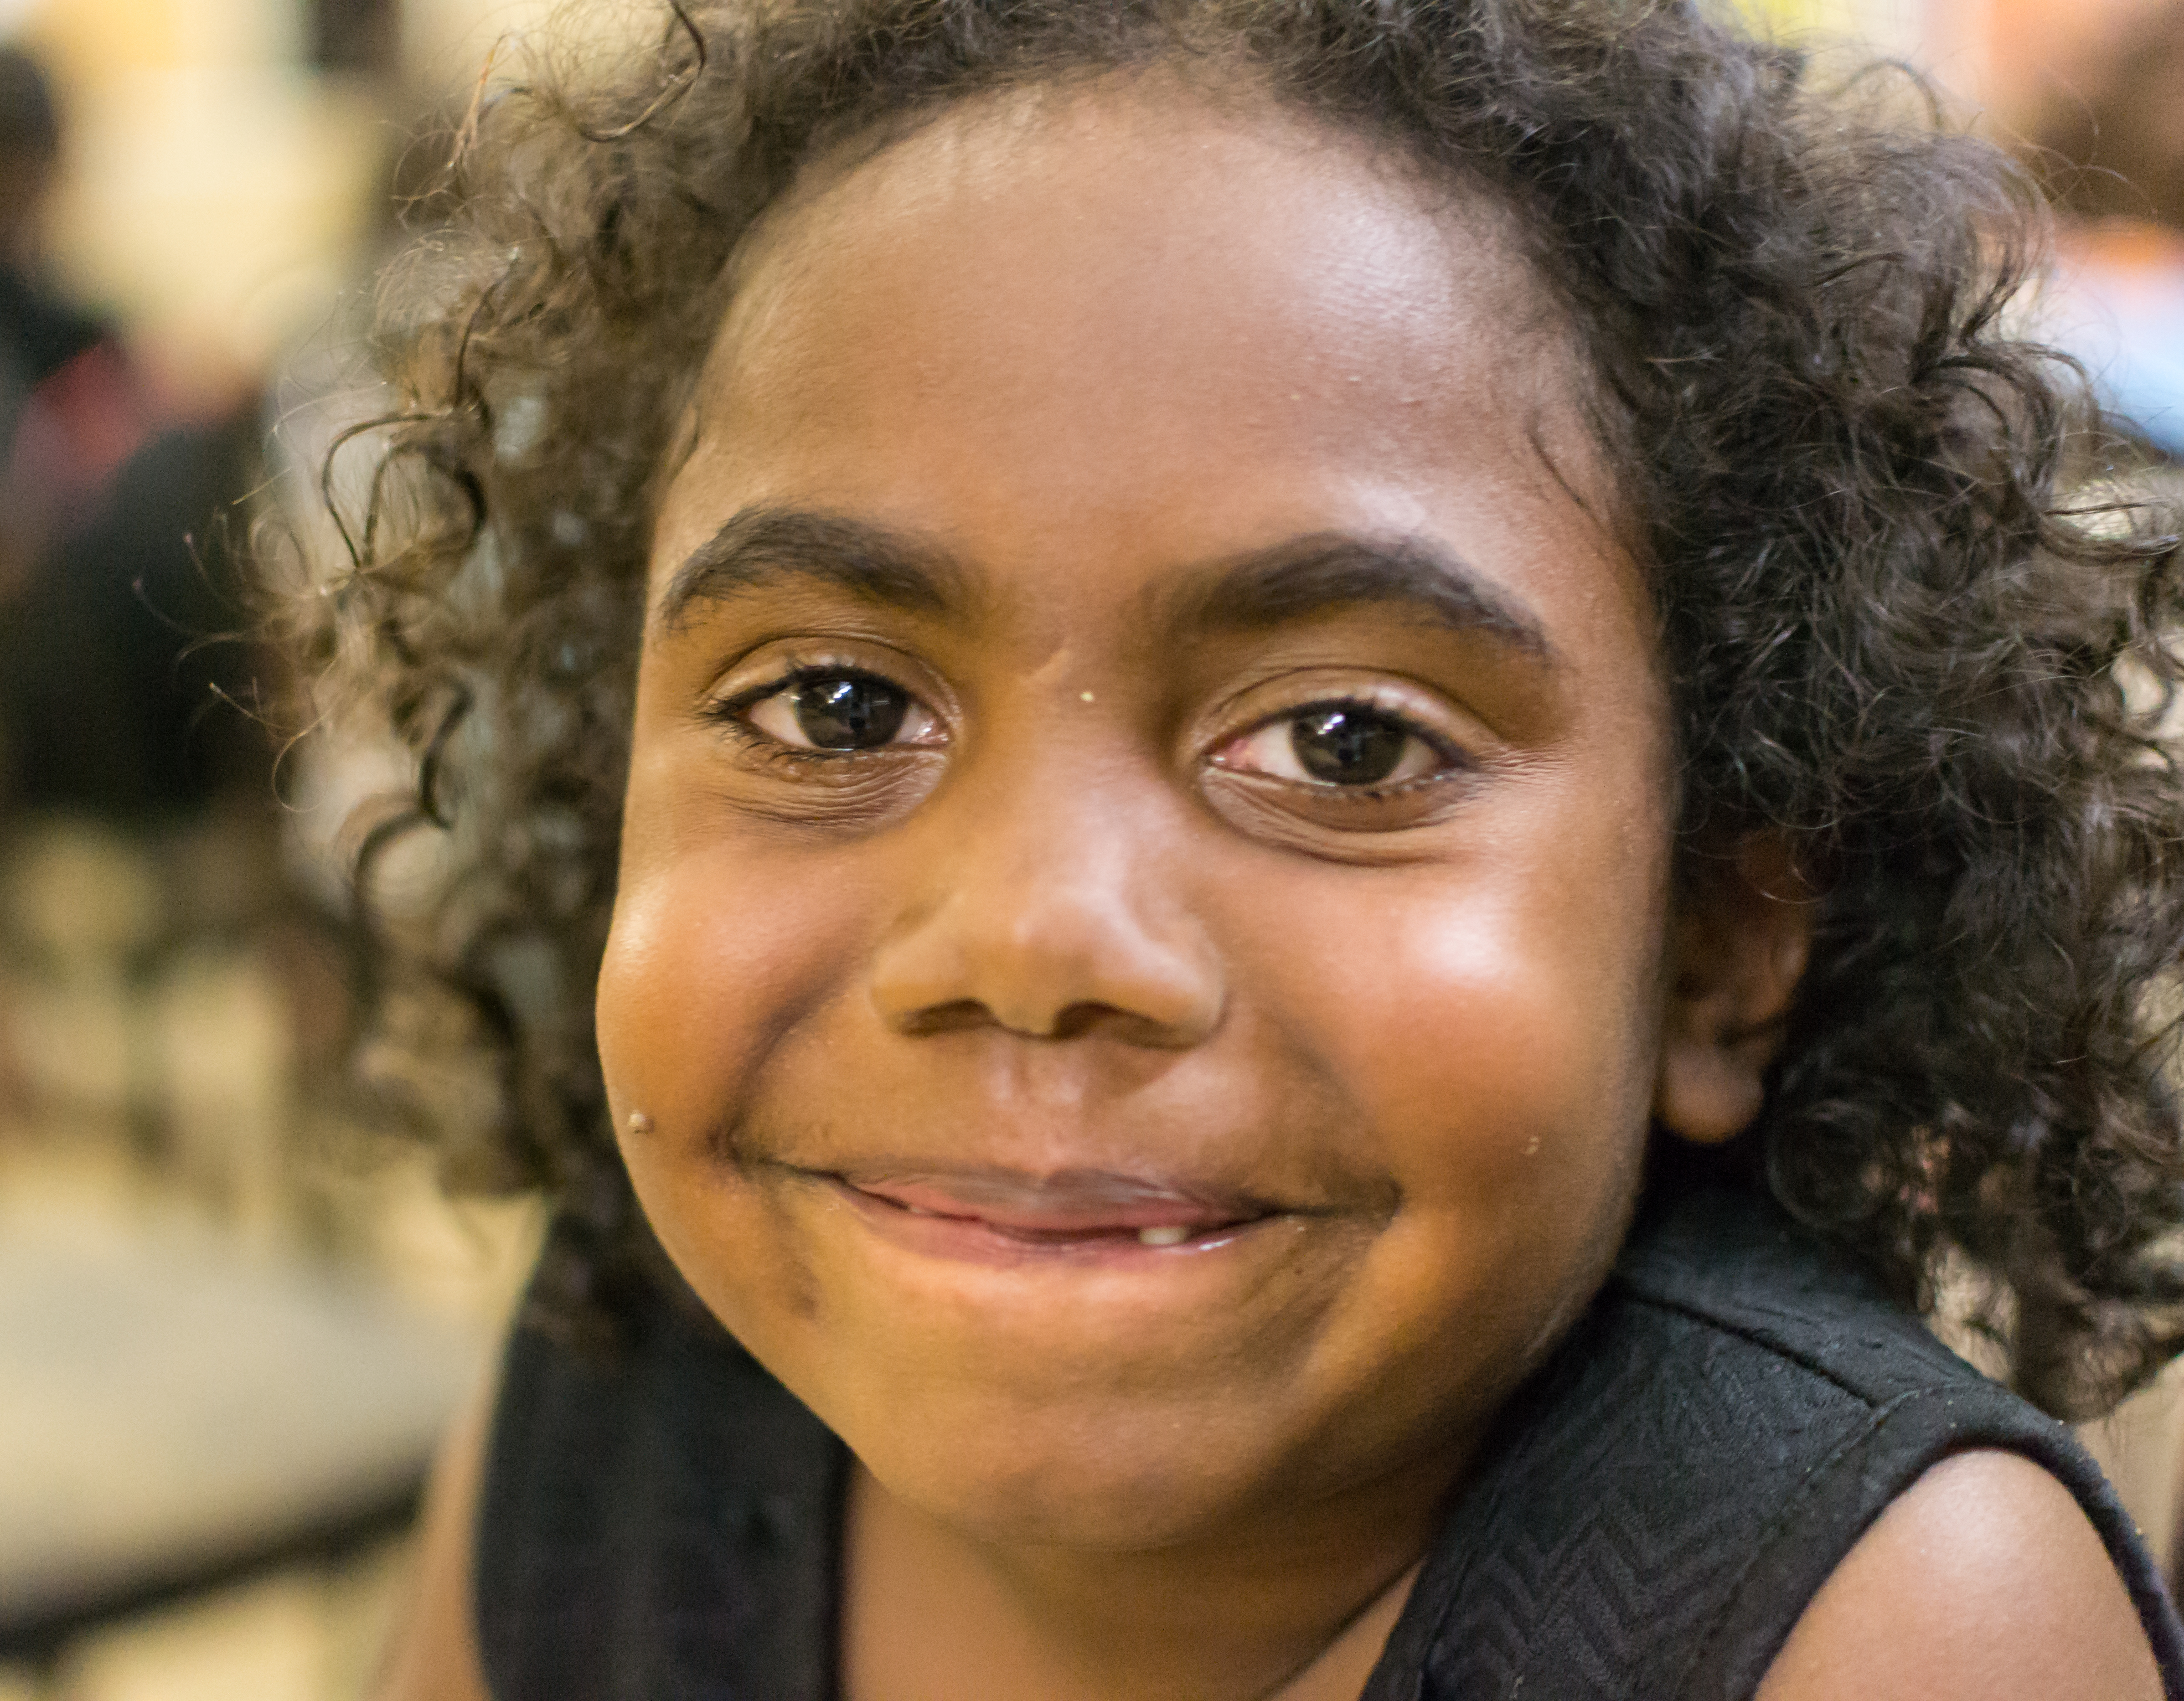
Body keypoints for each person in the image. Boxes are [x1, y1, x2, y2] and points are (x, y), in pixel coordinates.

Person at [328, 2, 2184, 1695]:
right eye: (835, 708)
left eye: (1345, 743)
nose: (1037, 936)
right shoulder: (610, 1409)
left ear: (1714, 945)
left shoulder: (1886, 1617)